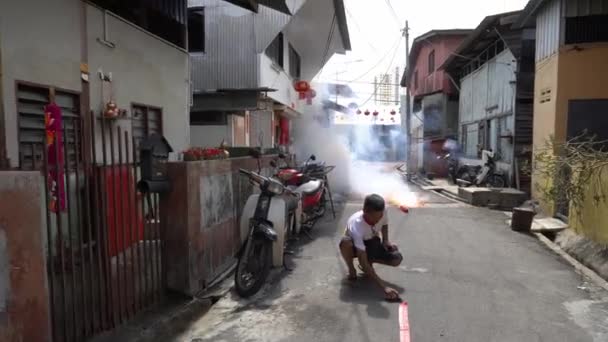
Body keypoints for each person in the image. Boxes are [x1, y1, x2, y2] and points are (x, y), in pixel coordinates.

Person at [339, 194, 403, 300]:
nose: (378, 220)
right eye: (374, 218)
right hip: (355, 247)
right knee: (345, 242)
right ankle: (352, 269)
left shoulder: (383, 211)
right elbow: (362, 257)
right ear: (365, 211)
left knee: (397, 258)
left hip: (372, 241)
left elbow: (385, 223)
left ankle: (369, 265)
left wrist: (386, 241)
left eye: (380, 216)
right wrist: (384, 287)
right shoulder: (357, 226)